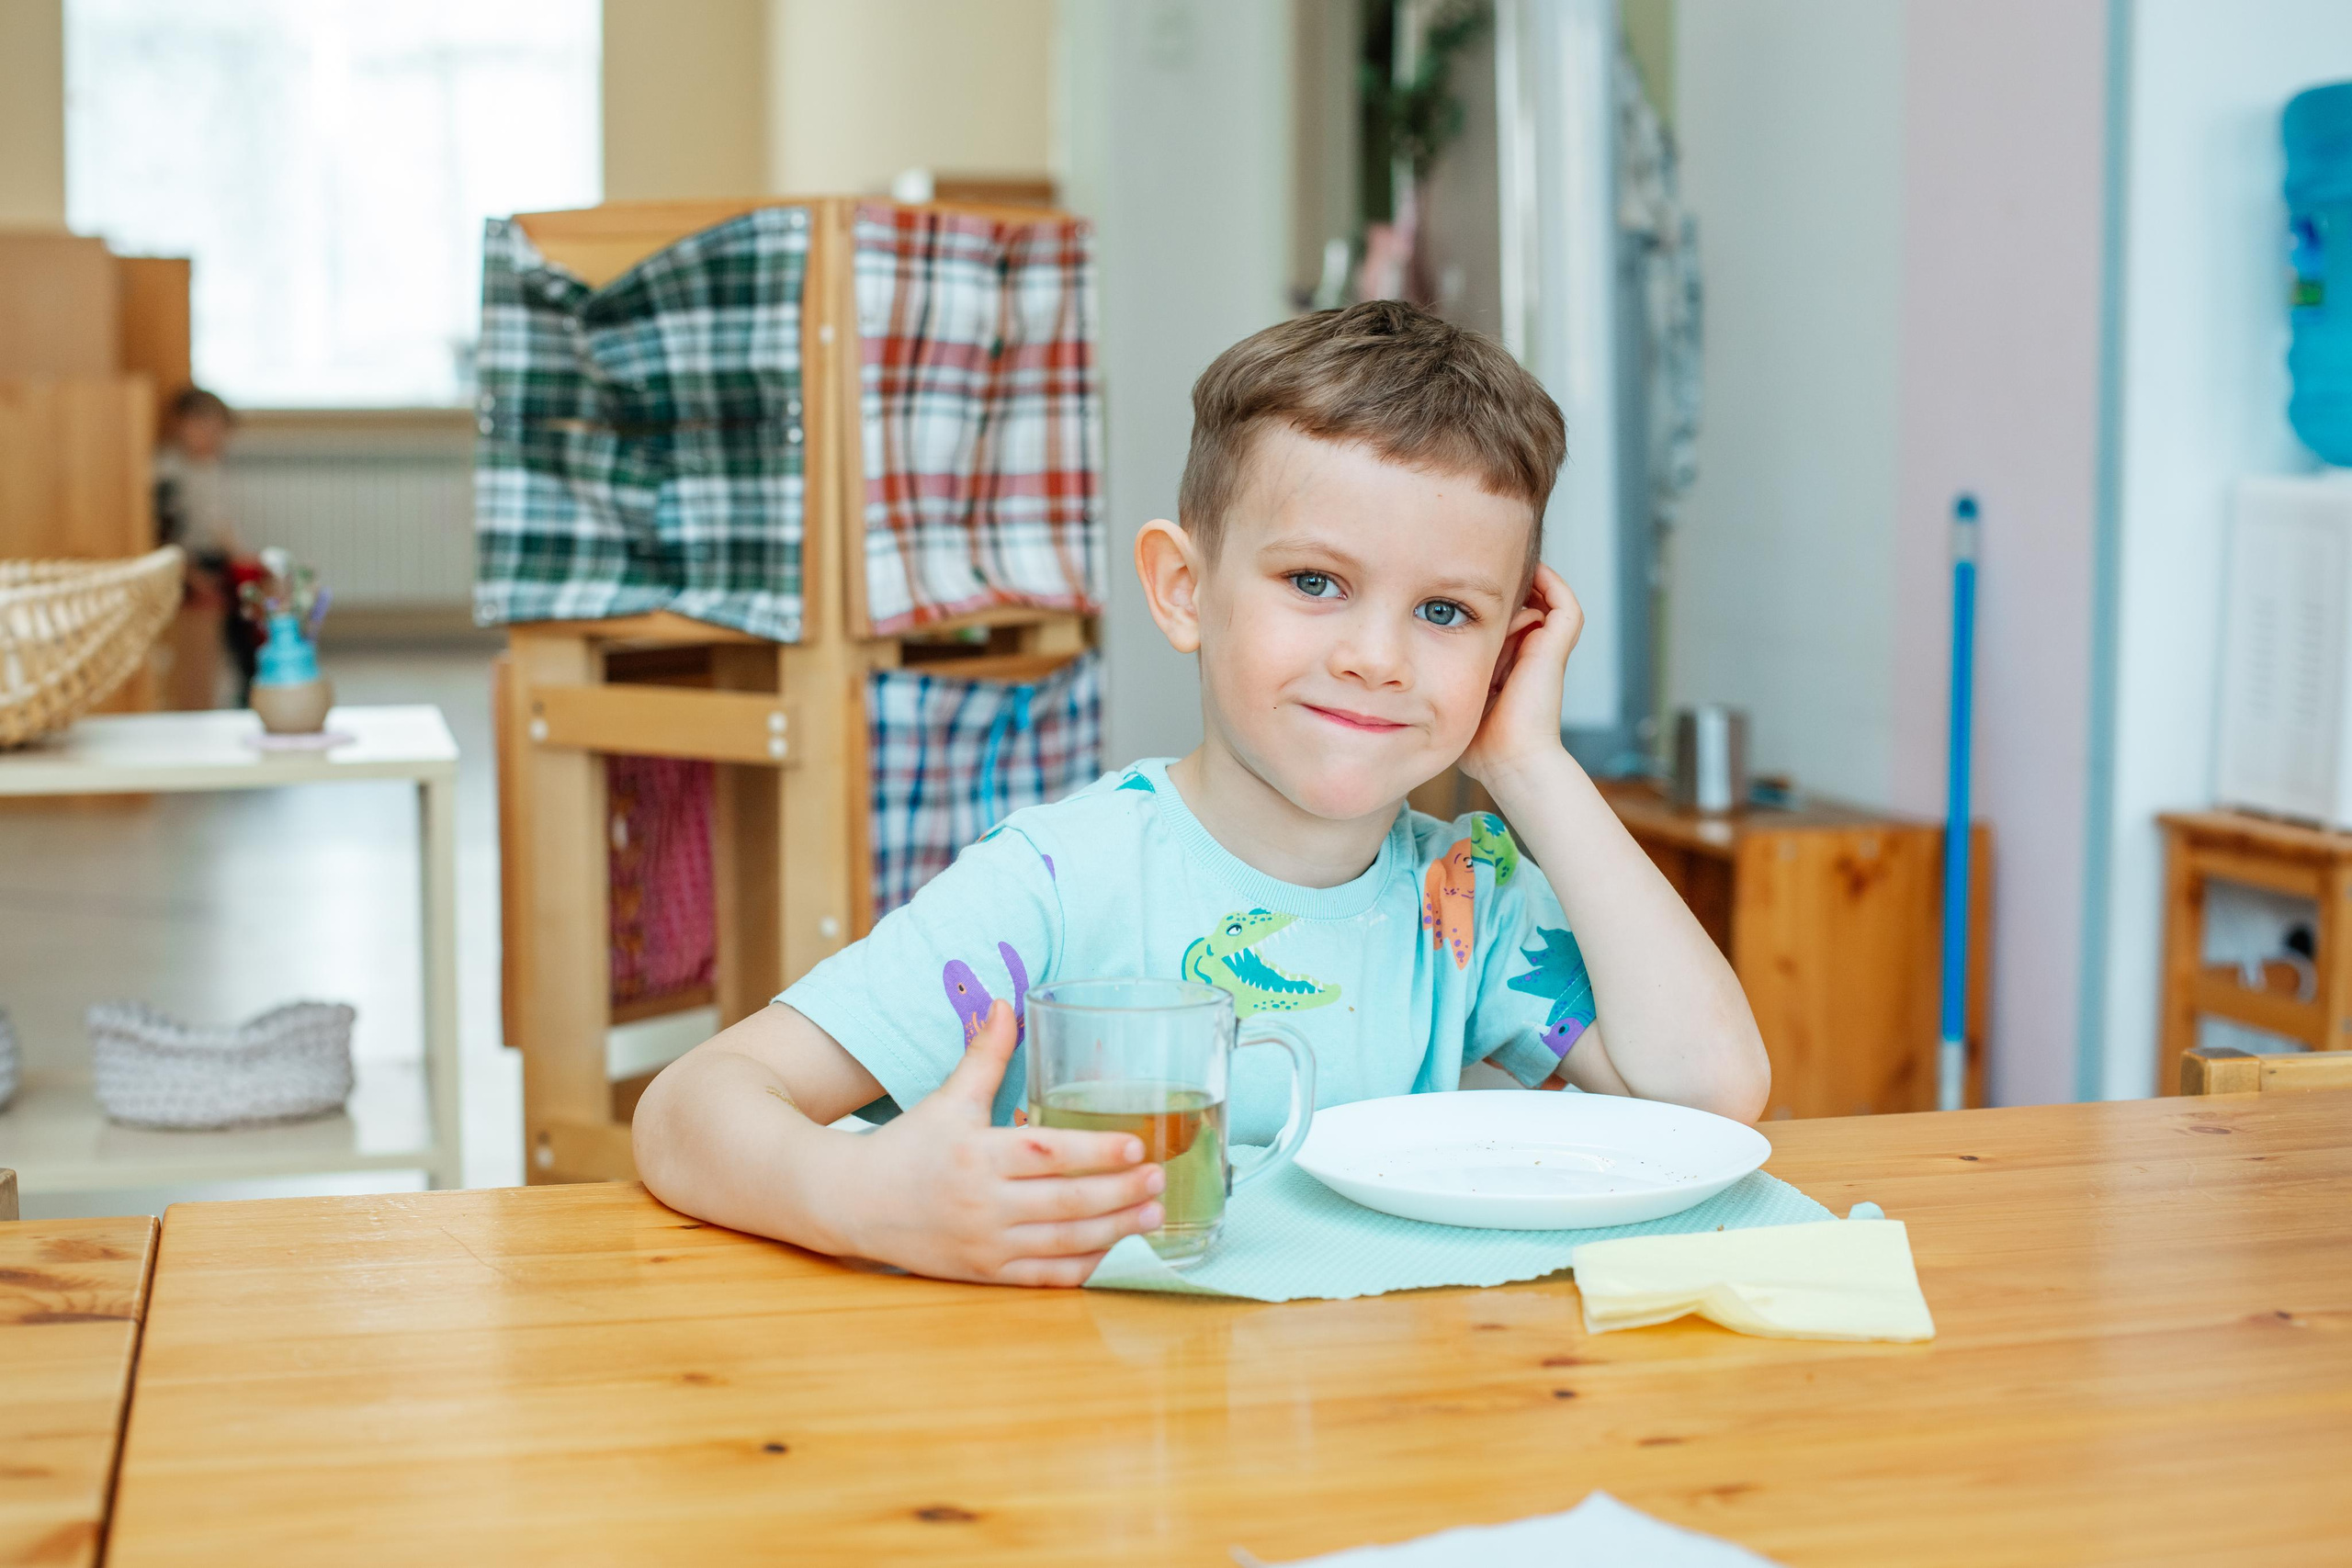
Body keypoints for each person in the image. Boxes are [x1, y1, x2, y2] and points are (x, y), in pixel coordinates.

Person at [634, 300, 1770, 1286]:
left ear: (1509, 645)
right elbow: (692, 1106)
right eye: (1315, 582)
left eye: (1445, 613)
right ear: (1184, 589)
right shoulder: (1058, 881)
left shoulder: (1465, 894)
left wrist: (1528, 761)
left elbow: (1706, 1097)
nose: (1377, 658)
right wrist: (863, 1199)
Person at [153, 386, 261, 702]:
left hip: (210, 557)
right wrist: (193, 575)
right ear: (180, 426)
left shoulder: (210, 467)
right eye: (202, 428)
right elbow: (164, 536)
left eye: (219, 431)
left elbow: (220, 526)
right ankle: (248, 682)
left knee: (252, 596)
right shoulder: (167, 473)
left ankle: (254, 681)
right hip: (182, 563)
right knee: (237, 599)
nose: (212, 438)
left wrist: (245, 559)